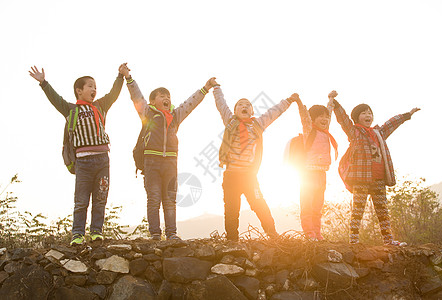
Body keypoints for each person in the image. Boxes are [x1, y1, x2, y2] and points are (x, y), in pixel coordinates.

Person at [29, 64, 127, 245]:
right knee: (81, 201)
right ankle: (77, 235)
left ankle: (96, 232)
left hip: (103, 160)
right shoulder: (71, 110)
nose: (94, 89)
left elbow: (114, 94)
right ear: (79, 91)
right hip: (83, 162)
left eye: (95, 86)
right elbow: (55, 99)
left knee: (100, 199)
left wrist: (120, 76)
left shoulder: (101, 106)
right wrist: (44, 83)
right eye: (90, 86)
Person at [123, 64, 216, 240]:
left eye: (168, 96)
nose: (166, 98)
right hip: (152, 162)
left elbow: (190, 103)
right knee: (154, 198)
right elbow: (136, 96)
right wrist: (128, 77)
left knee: (170, 200)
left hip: (171, 163)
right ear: (152, 101)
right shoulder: (148, 113)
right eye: (161, 96)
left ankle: (172, 234)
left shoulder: (175, 116)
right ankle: (155, 234)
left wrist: (205, 88)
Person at [329, 90, 420, 245]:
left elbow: (391, 124)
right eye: (364, 113)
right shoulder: (354, 132)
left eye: (370, 113)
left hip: (379, 178)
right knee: (358, 210)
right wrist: (335, 103)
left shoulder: (378, 133)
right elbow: (343, 120)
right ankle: (354, 240)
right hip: (361, 179)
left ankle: (388, 240)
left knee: (382, 210)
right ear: (357, 117)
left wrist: (406, 115)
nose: (368, 115)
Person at [213, 81, 297, 241]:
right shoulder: (230, 122)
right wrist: (216, 89)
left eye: (247, 105)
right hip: (231, 175)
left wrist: (288, 101)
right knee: (231, 208)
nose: (244, 106)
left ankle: (272, 234)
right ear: (235, 110)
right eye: (240, 105)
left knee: (259, 204)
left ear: (252, 110)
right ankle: (232, 239)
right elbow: (221, 104)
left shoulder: (258, 124)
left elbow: (274, 112)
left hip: (249, 176)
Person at [292, 92, 338, 241]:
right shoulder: (309, 130)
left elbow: (329, 111)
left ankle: (317, 233)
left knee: (317, 207)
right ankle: (309, 234)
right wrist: (298, 101)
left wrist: (330, 99)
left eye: (326, 116)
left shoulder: (325, 131)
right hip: (307, 174)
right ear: (312, 119)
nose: (324, 119)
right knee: (307, 206)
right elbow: (304, 116)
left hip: (322, 174)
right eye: (320, 116)